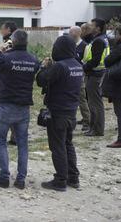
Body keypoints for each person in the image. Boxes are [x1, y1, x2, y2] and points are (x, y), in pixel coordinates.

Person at [0, 30, 40, 189]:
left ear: (13, 42)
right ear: (27, 42)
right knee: (22, 144)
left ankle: (4, 176)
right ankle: (21, 179)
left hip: (6, 105)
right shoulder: (33, 60)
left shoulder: (5, 58)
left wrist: (0, 50)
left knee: (1, 140)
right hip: (23, 107)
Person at [37, 35, 83, 192]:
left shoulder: (60, 66)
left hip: (58, 112)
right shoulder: (77, 65)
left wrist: (44, 67)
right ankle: (73, 177)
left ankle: (60, 180)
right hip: (71, 110)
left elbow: (41, 80)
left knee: (57, 146)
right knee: (67, 144)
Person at [82, 18, 110, 137]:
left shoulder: (98, 41)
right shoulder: (101, 39)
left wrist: (84, 67)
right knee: (94, 103)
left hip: (95, 74)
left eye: (92, 25)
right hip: (97, 73)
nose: (90, 27)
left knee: (95, 104)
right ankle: (94, 128)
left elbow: (95, 60)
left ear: (98, 28)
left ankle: (97, 130)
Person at [69, 26, 90, 132]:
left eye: (70, 32)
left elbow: (85, 62)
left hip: (79, 75)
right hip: (69, 74)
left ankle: (87, 121)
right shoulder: (70, 45)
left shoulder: (85, 46)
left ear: (77, 33)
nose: (69, 34)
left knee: (82, 99)